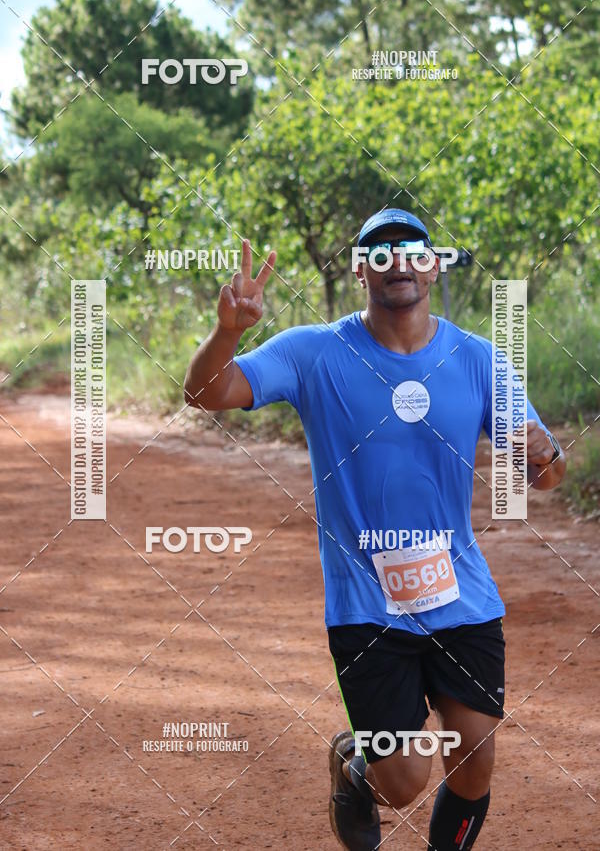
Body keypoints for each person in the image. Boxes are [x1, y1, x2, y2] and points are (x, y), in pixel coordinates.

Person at [183, 209, 566, 851]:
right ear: (361, 269)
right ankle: (357, 767)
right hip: (366, 607)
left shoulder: (477, 360)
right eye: (381, 254)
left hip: (460, 596)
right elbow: (206, 394)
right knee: (405, 780)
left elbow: (549, 473)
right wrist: (226, 333)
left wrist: (542, 458)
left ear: (435, 264)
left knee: (475, 761)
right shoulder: (313, 353)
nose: (400, 264)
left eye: (414, 252)